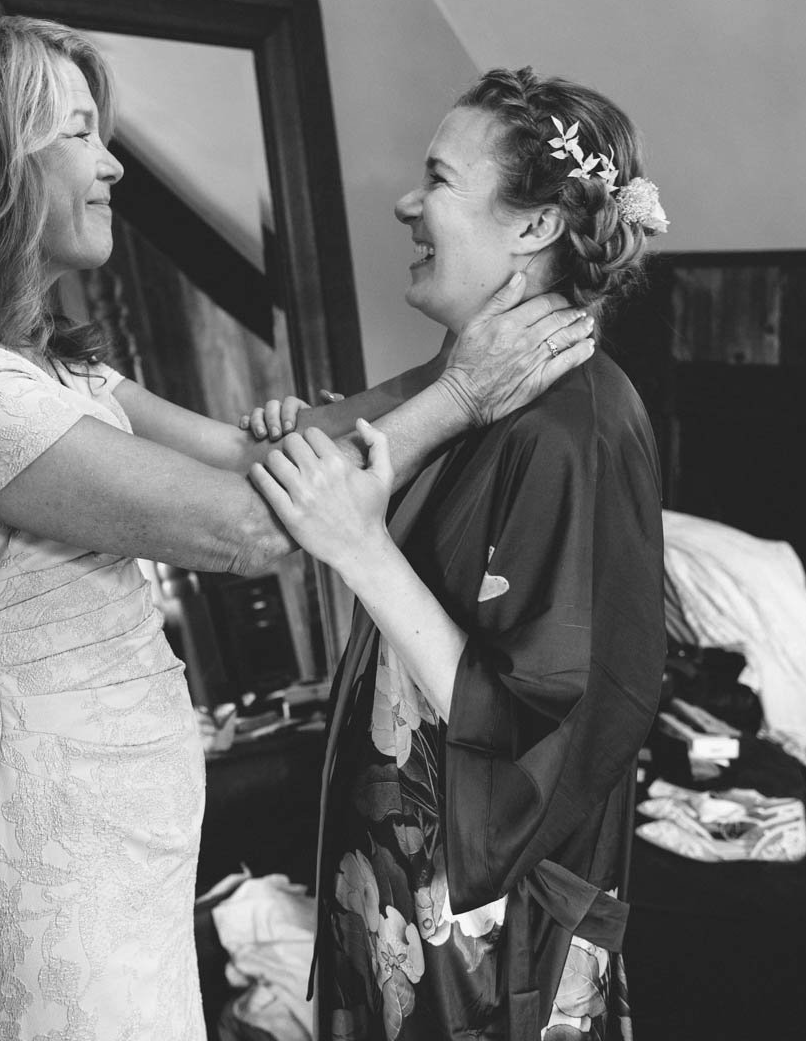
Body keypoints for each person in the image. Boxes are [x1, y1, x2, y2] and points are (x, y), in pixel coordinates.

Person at [0, 17, 600, 1040]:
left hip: (127, 845)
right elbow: (253, 524)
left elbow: (251, 461)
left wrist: (444, 364)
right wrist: (460, 396)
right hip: (41, 859)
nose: (113, 162)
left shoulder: (62, 372)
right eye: (78, 133)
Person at [248, 67, 669, 1041]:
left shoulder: (575, 431)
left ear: (532, 228)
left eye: (436, 178)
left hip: (484, 934)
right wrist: (306, 432)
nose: (406, 202)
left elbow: (538, 721)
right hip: (397, 882)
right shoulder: (467, 386)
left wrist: (359, 548)